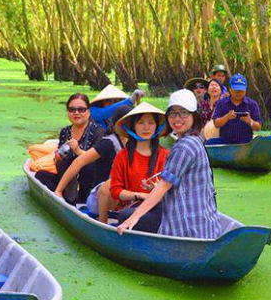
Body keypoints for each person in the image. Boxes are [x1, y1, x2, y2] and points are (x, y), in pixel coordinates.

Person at [117, 90, 222, 239]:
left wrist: (134, 217)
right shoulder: (196, 140)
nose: (177, 118)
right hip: (204, 225)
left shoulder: (184, 146)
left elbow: (164, 185)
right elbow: (181, 184)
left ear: (194, 115)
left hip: (188, 229)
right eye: (172, 113)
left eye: (183, 112)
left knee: (125, 215)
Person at [55, 105, 131, 222]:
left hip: (126, 197)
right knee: (113, 182)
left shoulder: (137, 144)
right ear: (118, 124)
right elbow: (78, 162)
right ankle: (103, 222)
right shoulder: (107, 143)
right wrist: (59, 191)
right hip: (100, 198)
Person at [110, 102, 171, 232]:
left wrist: (154, 191)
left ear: (157, 126)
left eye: (151, 122)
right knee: (125, 215)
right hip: (132, 209)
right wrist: (140, 195)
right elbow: (115, 191)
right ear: (133, 126)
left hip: (159, 210)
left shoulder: (166, 155)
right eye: (141, 122)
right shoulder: (122, 156)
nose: (146, 127)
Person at [35, 93, 105, 203]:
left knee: (87, 167)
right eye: (72, 109)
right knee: (40, 175)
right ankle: (67, 194)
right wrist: (57, 158)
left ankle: (75, 197)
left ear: (88, 111)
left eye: (81, 109)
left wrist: (78, 151)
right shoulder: (65, 132)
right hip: (67, 180)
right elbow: (61, 162)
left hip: (89, 182)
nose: (76, 113)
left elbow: (100, 163)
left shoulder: (98, 131)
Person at [209, 73, 262, 145]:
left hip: (245, 142)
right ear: (230, 89)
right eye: (236, 90)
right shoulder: (222, 103)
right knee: (209, 143)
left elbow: (258, 127)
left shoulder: (252, 104)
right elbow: (216, 124)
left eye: (241, 90)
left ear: (245, 89)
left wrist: (250, 121)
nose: (238, 93)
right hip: (225, 142)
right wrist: (226, 117)